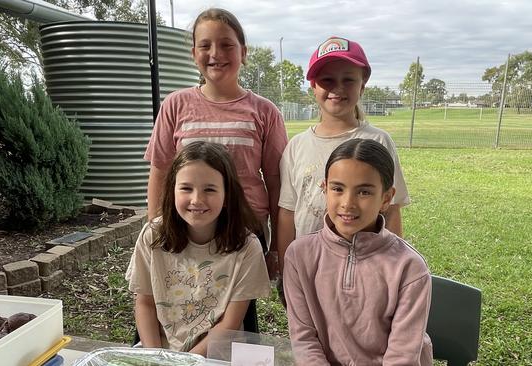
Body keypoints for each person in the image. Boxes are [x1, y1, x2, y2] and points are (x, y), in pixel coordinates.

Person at [143, 8, 288, 331]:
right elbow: (160, 171)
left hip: (242, 236)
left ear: (243, 52)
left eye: (226, 45)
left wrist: (276, 246)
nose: (215, 54)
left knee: (235, 323)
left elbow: (277, 183)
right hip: (186, 230)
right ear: (193, 52)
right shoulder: (175, 105)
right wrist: (156, 231)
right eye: (205, 45)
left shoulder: (264, 112)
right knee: (179, 309)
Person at [283, 138, 432, 365]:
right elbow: (304, 339)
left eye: (363, 192)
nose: (347, 203)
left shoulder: (410, 267)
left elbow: (402, 356)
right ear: (325, 189)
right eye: (337, 189)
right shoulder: (298, 256)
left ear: (386, 198)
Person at [277, 36, 409, 277]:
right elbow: (287, 213)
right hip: (310, 269)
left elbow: (391, 210)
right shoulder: (297, 146)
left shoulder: (378, 141)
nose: (337, 88)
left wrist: (392, 267)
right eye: (327, 80)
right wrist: (287, 270)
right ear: (313, 87)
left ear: (363, 84)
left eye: (348, 79)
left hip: (366, 269)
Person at [126, 141, 270, 356]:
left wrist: (186, 362)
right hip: (158, 354)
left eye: (210, 189)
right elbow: (145, 303)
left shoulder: (247, 247)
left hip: (219, 354)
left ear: (227, 195)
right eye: (186, 188)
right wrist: (158, 359)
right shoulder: (153, 235)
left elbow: (230, 323)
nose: (197, 200)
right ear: (172, 190)